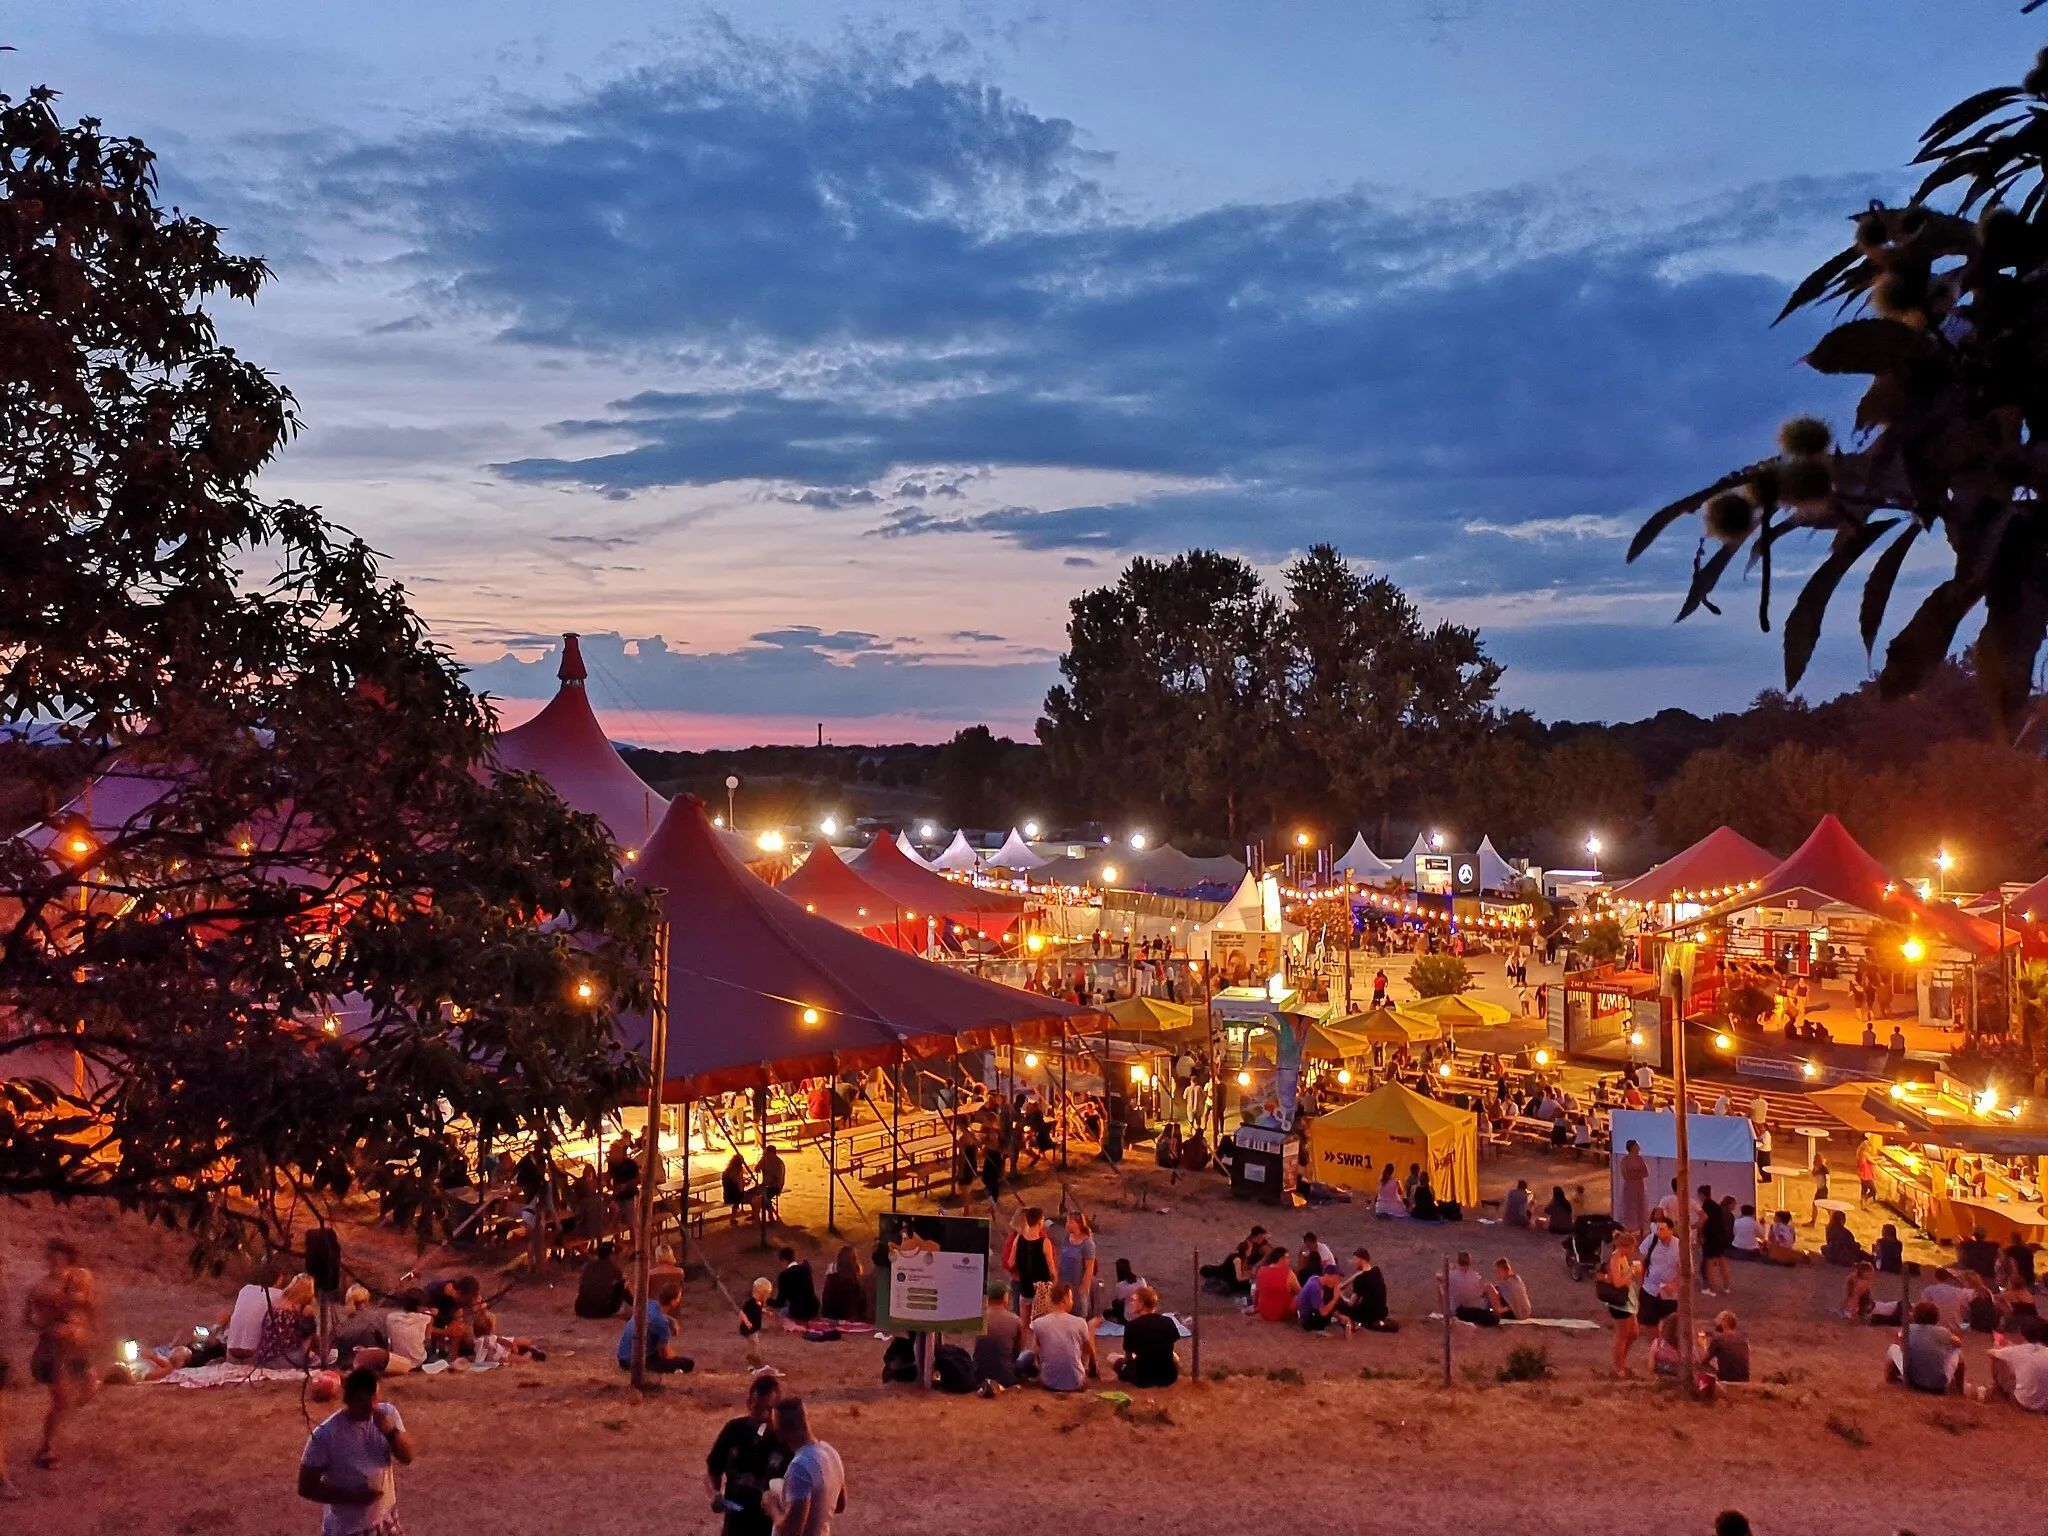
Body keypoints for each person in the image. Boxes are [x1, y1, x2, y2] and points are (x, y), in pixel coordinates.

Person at [298, 1367, 413, 1536]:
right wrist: (351, 1497)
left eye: (374, 1398)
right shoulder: (326, 1436)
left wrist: (390, 1432)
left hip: (386, 1520)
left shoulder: (387, 1414)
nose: (370, 1407)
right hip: (349, 1529)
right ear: (348, 1400)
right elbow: (306, 1487)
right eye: (362, 1401)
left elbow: (407, 1456)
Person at [24, 1238, 97, 1472]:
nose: (54, 1259)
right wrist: (43, 1324)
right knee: (60, 1400)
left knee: (90, 1386)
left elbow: (86, 1304)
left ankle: (53, 1435)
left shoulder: (78, 1277)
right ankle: (47, 1450)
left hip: (75, 1346)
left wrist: (91, 1327)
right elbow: (29, 1319)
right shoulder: (40, 1287)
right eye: (51, 1255)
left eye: (59, 1255)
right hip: (52, 1349)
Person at [706, 1373, 789, 1536]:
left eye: (769, 1410)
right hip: (735, 1526)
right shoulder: (734, 1430)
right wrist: (714, 1494)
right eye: (758, 1408)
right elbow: (712, 1469)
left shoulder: (785, 1443)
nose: (764, 1416)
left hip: (767, 1528)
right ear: (749, 1404)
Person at [767, 1398, 846, 1536]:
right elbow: (840, 1505)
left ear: (780, 1431)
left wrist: (772, 1506)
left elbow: (791, 1531)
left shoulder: (799, 1467)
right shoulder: (831, 1453)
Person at [1028, 1283, 1096, 1392]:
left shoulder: (1039, 1323)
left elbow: (1034, 1352)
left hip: (1048, 1382)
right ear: (1065, 1299)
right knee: (1085, 1347)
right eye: (1071, 1298)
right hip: (1076, 1382)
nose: (1072, 1302)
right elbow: (1088, 1350)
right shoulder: (1080, 1323)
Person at [617, 1279, 693, 1374]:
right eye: (678, 1298)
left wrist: (672, 1320)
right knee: (688, 1363)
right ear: (673, 1301)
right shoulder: (661, 1323)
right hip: (634, 1362)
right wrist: (676, 1358)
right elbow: (665, 1354)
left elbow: (655, 1316)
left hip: (623, 1358)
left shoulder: (649, 1304)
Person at [1887, 1300, 1963, 1394]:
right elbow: (1958, 1343)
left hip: (1911, 1380)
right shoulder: (1943, 1332)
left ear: (1915, 1316)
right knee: (1957, 1351)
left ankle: (1891, 1379)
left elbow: (1898, 1341)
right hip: (1938, 1385)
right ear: (1937, 1317)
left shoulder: (1907, 1329)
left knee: (1893, 1348)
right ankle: (1960, 1389)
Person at [1116, 1285, 1181, 1386]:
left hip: (1142, 1378)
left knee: (1112, 1358)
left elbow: (1128, 1357)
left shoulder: (1132, 1325)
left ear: (1142, 1303)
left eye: (1134, 1300)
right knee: (1174, 1356)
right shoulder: (1168, 1322)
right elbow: (1169, 1349)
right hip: (1168, 1377)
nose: (1131, 1303)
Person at [1005, 1208, 1059, 1321]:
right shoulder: (1045, 1242)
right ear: (1040, 1222)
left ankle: (1024, 1339)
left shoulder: (1018, 1239)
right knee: (1040, 1324)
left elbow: (1010, 1263)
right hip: (1041, 1291)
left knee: (1023, 1324)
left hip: (1025, 1288)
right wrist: (1054, 1286)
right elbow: (1052, 1270)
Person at [1989, 1315, 2048, 1413]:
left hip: (2025, 1404)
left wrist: (1998, 1346)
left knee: (1997, 1357)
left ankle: (1998, 1389)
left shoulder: (2018, 1351)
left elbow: (1990, 1353)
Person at [331, 1285, 393, 1375]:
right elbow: (383, 1343)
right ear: (366, 1301)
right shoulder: (375, 1318)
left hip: (345, 1364)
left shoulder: (342, 1323)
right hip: (371, 1365)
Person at [1603, 1236, 1642, 1378]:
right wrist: (1632, 1271)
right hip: (1620, 1303)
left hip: (1628, 1301)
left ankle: (1622, 1362)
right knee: (1622, 1336)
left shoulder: (1622, 1257)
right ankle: (1619, 1368)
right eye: (1631, 1248)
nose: (1632, 1251)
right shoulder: (1615, 1259)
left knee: (1634, 1333)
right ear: (1624, 1246)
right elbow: (1617, 1283)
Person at [1636, 1215, 1681, 1335]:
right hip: (1650, 1288)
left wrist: (1673, 1284)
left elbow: (1683, 1270)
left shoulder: (1679, 1246)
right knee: (1648, 1323)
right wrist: (1642, 1281)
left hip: (1670, 1293)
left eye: (1662, 1229)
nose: (1658, 1232)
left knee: (1670, 1324)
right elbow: (1642, 1259)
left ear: (1671, 1230)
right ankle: (1657, 1345)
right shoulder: (1651, 1240)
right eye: (1657, 1229)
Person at [974, 1284, 1023, 1391]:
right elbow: (1017, 1352)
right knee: (1027, 1356)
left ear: (989, 1298)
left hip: (980, 1376)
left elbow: (977, 1348)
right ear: (1005, 1297)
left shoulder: (979, 1318)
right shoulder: (1015, 1320)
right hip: (1006, 1377)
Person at [1337, 1248, 1397, 1332]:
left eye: (1355, 1259)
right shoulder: (1376, 1271)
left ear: (1361, 1260)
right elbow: (1361, 1273)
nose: (1353, 1262)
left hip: (1368, 1316)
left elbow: (1351, 1304)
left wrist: (1340, 1296)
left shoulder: (1361, 1279)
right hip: (1382, 1312)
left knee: (1339, 1304)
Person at [575, 1241, 631, 1320]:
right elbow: (623, 1283)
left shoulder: (589, 1265)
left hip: (580, 1309)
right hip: (599, 1312)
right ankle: (636, 1305)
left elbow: (582, 1284)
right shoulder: (613, 1269)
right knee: (620, 1285)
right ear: (611, 1255)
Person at [1442, 1251, 1500, 1327]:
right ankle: (1498, 1312)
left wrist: (1451, 1268)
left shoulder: (1451, 1275)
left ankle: (1445, 1314)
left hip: (1456, 1311)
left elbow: (1438, 1276)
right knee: (1489, 1287)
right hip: (1474, 1309)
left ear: (1457, 1262)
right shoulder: (1475, 1276)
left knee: (1442, 1287)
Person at [1059, 1214, 1099, 1319]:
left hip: (1078, 1285)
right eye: (1067, 1221)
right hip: (1064, 1283)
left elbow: (1089, 1268)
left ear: (1079, 1224)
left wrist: (1083, 1287)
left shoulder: (1087, 1244)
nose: (1067, 1225)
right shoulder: (1066, 1239)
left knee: (1078, 1314)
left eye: (1071, 1222)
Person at [771, 1249, 820, 1323]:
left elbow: (780, 1303)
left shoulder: (784, 1276)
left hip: (798, 1312)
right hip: (814, 1309)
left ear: (784, 1261)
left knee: (781, 1312)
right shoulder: (805, 1270)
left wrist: (767, 1300)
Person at [1252, 1247, 1300, 1321]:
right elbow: (1300, 1292)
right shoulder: (1289, 1274)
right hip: (1282, 1314)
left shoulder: (1261, 1270)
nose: (1289, 1260)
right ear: (1281, 1259)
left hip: (1264, 1311)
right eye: (1287, 1258)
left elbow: (1257, 1291)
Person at [1920, 1267, 1973, 1332]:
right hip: (1956, 1327)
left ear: (1935, 1277)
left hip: (1936, 1327)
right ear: (1948, 1278)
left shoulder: (1928, 1291)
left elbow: (1923, 1309)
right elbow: (1966, 1312)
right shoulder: (1959, 1292)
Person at [1703, 1309, 1750, 1382]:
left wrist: (1716, 1373)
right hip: (1744, 1382)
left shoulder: (1718, 1340)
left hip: (1727, 1382)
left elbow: (1704, 1362)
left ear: (1724, 1322)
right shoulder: (1744, 1340)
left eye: (1718, 1320)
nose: (1715, 1323)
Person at [1297, 1264, 1343, 1331]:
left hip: (1304, 1313)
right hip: (1308, 1321)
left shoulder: (1315, 1278)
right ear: (1327, 1275)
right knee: (1333, 1299)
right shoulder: (1315, 1288)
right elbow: (1323, 1313)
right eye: (1336, 1278)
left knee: (1330, 1295)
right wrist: (1335, 1298)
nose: (1338, 1281)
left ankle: (1340, 1316)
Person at [740, 1278, 772, 1367]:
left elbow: (758, 1309)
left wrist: (765, 1311)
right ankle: (754, 1360)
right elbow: (742, 1312)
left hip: (754, 1329)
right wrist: (747, 1322)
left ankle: (753, 1358)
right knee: (754, 1343)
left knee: (754, 1343)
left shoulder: (758, 1303)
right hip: (748, 1329)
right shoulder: (750, 1302)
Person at [1618, 1141, 1649, 1233]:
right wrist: (1637, 1174)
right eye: (1636, 1146)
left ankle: (1642, 1229)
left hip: (1639, 1187)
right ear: (1632, 1147)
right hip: (1630, 1188)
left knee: (1641, 1207)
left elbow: (1645, 1173)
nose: (1638, 1148)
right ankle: (1628, 1231)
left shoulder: (1640, 1159)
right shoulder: (1625, 1160)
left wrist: (1635, 1174)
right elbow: (1625, 1175)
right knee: (1629, 1209)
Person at [1107, 1258, 1145, 1324]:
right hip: (1142, 1312)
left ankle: (1119, 1321)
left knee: (1108, 1311)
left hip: (1129, 1316)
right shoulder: (1141, 1280)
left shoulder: (1121, 1285)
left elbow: (1118, 1301)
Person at [756, 1145, 787, 1223]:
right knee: (752, 1194)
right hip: (766, 1185)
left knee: (764, 1197)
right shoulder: (765, 1160)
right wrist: (760, 1164)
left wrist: (767, 1185)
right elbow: (757, 1169)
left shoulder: (778, 1162)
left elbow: (777, 1179)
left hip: (775, 1186)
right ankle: (755, 1215)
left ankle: (770, 1215)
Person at [723, 1153, 758, 1221]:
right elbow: (740, 1188)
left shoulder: (727, 1171)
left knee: (748, 1196)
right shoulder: (737, 1172)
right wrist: (746, 1183)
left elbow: (735, 1185)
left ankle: (733, 1217)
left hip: (727, 1196)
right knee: (755, 1199)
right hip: (735, 1197)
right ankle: (755, 1217)